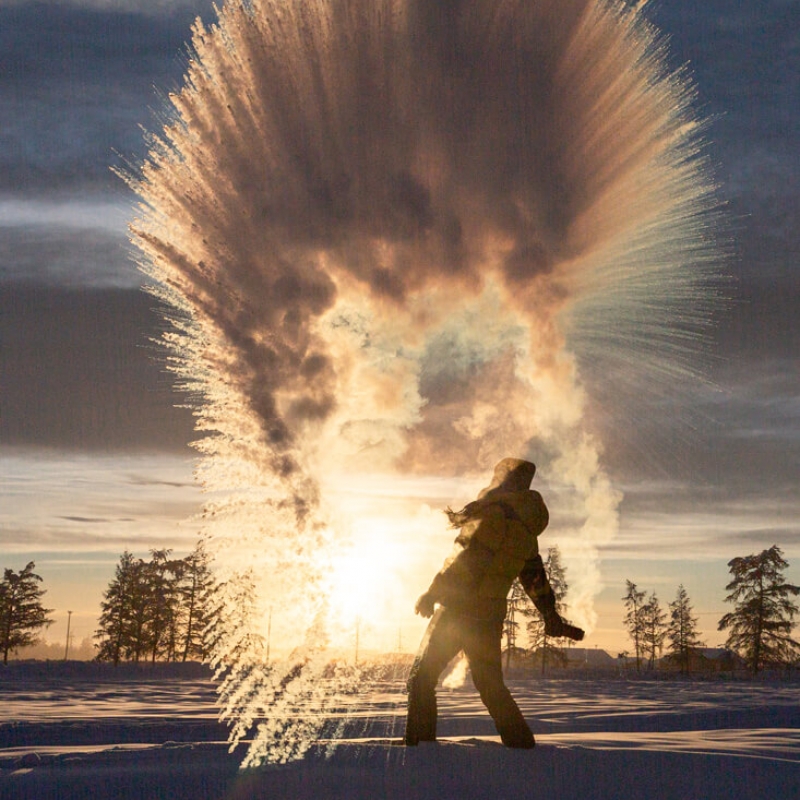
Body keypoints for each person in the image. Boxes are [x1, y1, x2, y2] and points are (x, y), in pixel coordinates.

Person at [405, 457, 584, 748]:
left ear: (505, 481)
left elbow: (463, 559)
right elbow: (535, 580)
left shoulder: (491, 517)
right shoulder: (526, 534)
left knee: (420, 678)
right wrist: (550, 615)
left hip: (458, 611)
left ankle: (420, 749)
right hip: (489, 618)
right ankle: (521, 744)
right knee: (490, 685)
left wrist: (433, 592)